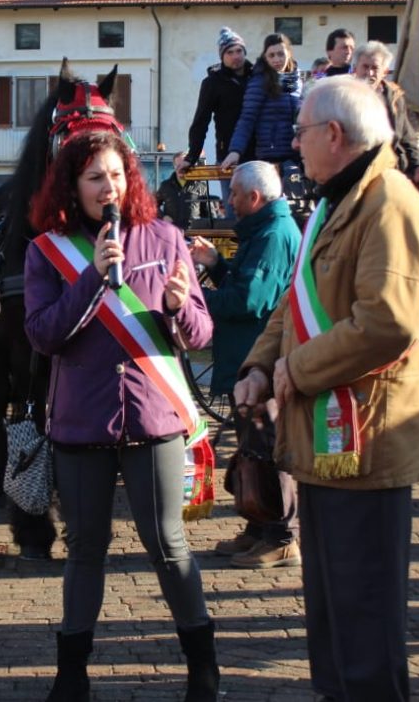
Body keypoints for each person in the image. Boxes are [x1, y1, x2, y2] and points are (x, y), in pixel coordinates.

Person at [233, 76, 419, 701]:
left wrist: (296, 370)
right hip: (326, 445)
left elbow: (386, 321)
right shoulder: (336, 201)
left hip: (368, 446)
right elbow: (295, 306)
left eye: (299, 132)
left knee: (365, 625)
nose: (293, 145)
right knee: (331, 621)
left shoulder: (391, 203)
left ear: (333, 134)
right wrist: (260, 367)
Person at [24, 130, 219, 701]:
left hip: (153, 417)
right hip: (82, 423)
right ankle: (72, 672)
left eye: (115, 174)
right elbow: (41, 335)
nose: (108, 186)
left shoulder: (164, 237)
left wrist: (181, 309)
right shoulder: (46, 251)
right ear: (72, 187)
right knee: (85, 547)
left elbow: (201, 334)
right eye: (94, 178)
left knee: (167, 542)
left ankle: (202, 667)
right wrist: (92, 278)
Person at [188, 161, 300, 569]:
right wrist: (217, 263)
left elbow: (248, 301)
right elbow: (244, 286)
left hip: (259, 360)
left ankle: (282, 535)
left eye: (233, 193)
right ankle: (258, 526)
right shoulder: (265, 230)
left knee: (266, 445)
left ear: (253, 198)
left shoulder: (272, 235)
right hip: (248, 357)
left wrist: (191, 301)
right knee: (253, 449)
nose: (228, 201)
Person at [221, 33, 302, 170]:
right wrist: (235, 151)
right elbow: (247, 118)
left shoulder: (297, 80)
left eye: (281, 54)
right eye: (271, 55)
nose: (277, 59)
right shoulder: (259, 81)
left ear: (288, 53)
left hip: (296, 155)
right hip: (270, 157)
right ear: (265, 57)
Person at [185, 26, 252, 175]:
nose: (235, 56)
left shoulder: (256, 78)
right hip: (227, 155)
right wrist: (192, 156)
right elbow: (201, 121)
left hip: (257, 155)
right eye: (230, 52)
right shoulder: (212, 83)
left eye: (239, 51)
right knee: (233, 198)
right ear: (222, 56)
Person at [156, 150, 208, 230]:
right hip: (172, 233)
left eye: (183, 166)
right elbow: (152, 206)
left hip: (193, 235)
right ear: (174, 166)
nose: (180, 169)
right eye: (177, 166)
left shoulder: (200, 186)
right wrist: (163, 217)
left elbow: (208, 213)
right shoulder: (165, 186)